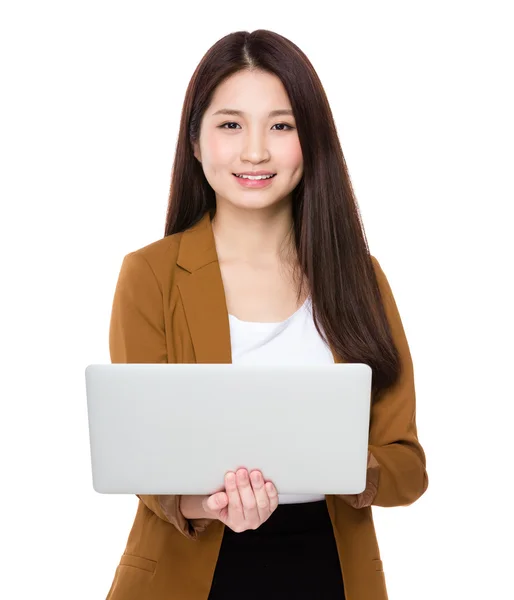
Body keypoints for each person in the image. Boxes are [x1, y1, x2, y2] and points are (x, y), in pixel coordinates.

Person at [106, 29, 428, 600]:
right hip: (190, 567)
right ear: (197, 142)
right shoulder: (150, 275)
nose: (255, 151)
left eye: (281, 126)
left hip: (328, 567)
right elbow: (141, 459)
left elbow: (407, 467)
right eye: (230, 124)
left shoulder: (360, 278)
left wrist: (355, 469)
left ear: (312, 140)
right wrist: (201, 502)